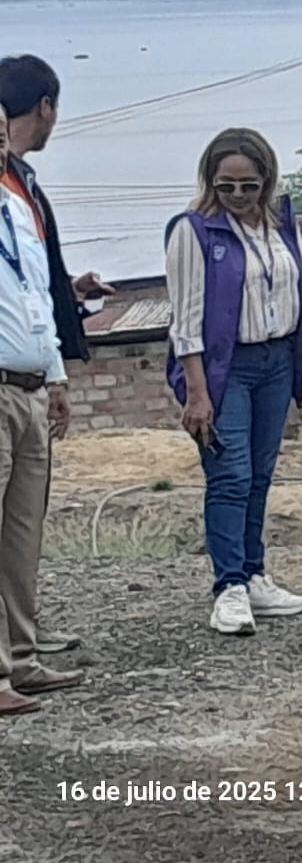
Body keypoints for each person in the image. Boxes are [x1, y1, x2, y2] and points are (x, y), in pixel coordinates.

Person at [164, 128, 302, 636]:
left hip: (277, 360)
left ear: (266, 180)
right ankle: (228, 585)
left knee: (259, 473)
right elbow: (186, 318)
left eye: (248, 186)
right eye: (226, 185)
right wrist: (197, 392)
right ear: (210, 181)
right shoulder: (195, 230)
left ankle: (255, 574)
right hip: (224, 367)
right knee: (229, 474)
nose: (237, 195)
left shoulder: (281, 224)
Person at [0, 54, 114, 656]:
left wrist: (56, 364)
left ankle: (21, 638)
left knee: (24, 520)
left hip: (31, 368)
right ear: (45, 106)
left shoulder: (23, 190)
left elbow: (25, 285)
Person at [0, 106, 84, 714]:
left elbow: (36, 296)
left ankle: (21, 657)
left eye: (0, 133)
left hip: (29, 385)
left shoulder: (18, 206)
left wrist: (56, 375)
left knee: (22, 533)